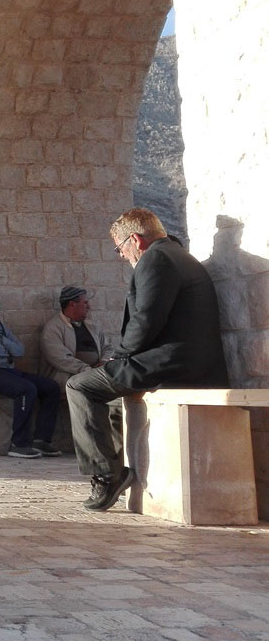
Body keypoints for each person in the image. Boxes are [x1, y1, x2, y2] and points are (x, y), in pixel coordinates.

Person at [67, 208, 228, 511]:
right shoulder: (177, 255)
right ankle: (114, 468)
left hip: (172, 362)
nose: (121, 255)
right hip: (191, 361)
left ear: (136, 240)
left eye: (120, 248)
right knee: (110, 400)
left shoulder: (156, 259)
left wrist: (118, 356)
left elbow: (146, 320)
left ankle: (107, 476)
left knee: (79, 386)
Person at [0, 291, 60, 458]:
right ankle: (19, 444)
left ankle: (41, 440)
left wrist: (1, 342)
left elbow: (20, 350)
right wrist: (7, 351)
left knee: (51, 387)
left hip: (7, 371)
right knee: (26, 389)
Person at [39, 286, 113, 385]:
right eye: (85, 303)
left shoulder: (92, 326)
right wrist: (89, 371)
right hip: (69, 379)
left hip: (96, 375)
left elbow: (107, 348)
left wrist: (104, 362)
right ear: (72, 304)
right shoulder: (53, 328)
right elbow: (61, 359)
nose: (89, 307)